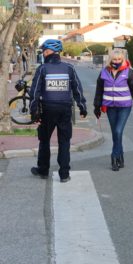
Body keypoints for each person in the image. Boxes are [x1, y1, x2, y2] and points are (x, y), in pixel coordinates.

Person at [29, 39, 87, 183]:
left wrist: (34, 110)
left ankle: (43, 170)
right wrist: (82, 106)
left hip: (47, 109)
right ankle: (64, 174)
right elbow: (77, 88)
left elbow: (34, 91)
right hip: (65, 109)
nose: (43, 53)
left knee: (44, 140)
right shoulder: (69, 68)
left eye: (44, 51)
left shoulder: (42, 68)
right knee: (64, 141)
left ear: (48, 51)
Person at [93, 49, 133, 171]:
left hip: (124, 107)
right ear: (110, 60)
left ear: (123, 60)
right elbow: (99, 91)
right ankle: (120, 156)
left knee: (118, 131)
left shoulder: (128, 72)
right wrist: (97, 106)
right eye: (114, 59)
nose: (117, 61)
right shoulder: (104, 72)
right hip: (110, 107)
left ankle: (114, 157)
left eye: (119, 59)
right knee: (115, 132)